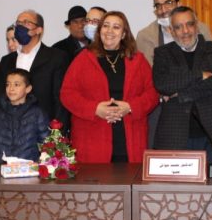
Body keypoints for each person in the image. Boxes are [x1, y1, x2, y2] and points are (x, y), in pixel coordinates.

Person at [61, 11, 159, 163]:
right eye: (105, 26)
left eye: (116, 27)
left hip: (131, 137)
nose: (109, 31)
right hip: (92, 137)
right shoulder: (83, 58)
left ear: (124, 34)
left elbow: (152, 93)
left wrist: (131, 107)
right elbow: (67, 94)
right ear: (99, 30)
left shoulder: (138, 60)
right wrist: (94, 109)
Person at [152, 6, 212, 163]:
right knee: (175, 180)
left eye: (189, 24)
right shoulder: (162, 53)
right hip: (174, 135)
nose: (185, 31)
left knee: (211, 179)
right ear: (171, 31)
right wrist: (200, 75)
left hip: (210, 133)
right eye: (178, 27)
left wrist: (182, 94)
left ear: (197, 25)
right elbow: (163, 84)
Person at [0, 9, 69, 128]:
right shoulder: (6, 61)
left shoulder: (56, 58)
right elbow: (1, 97)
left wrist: (57, 132)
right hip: (12, 129)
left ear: (39, 30)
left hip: (44, 129)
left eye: (26, 23)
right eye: (18, 23)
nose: (20, 27)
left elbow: (60, 99)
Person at [0, 69, 49, 163]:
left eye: (16, 85)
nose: (11, 88)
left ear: (28, 89)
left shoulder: (37, 114)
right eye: (8, 84)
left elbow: (46, 145)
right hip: (0, 168)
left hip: (28, 168)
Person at [136, 0, 212, 66]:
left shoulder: (201, 29)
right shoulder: (145, 36)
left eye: (168, 3)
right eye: (158, 6)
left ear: (178, 5)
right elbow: (150, 70)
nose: (163, 10)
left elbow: (211, 62)